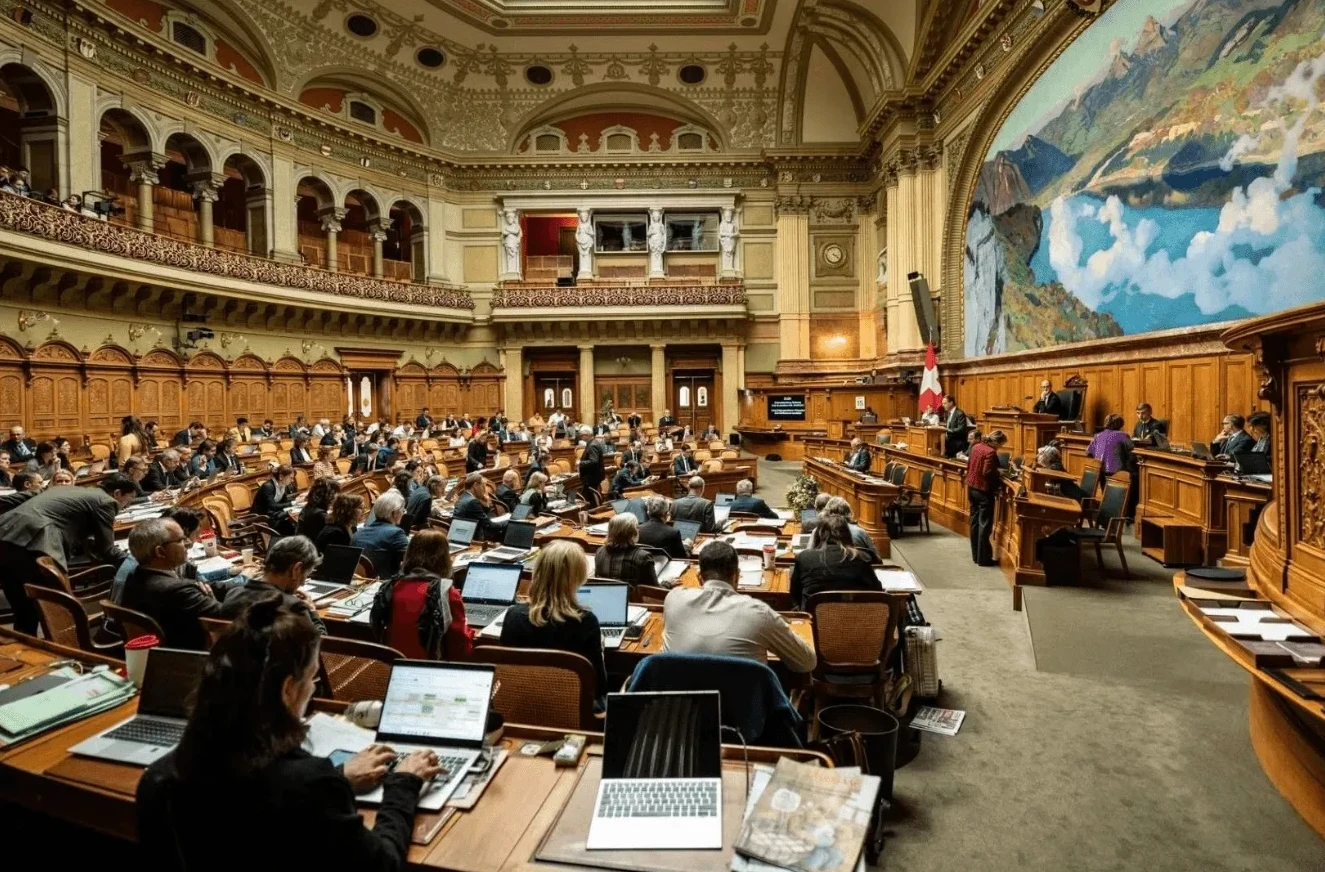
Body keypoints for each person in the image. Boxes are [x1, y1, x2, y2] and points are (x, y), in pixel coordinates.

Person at [137, 595, 442, 871]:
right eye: (312, 679)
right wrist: (403, 783)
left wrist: (339, 777)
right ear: (287, 689)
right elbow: (383, 864)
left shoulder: (162, 774)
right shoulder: (309, 785)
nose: (313, 688)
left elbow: (260, 794)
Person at [0, 473, 136, 634]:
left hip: (4, 534)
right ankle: (68, 646)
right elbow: (106, 550)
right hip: (36, 542)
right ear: (117, 493)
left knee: (22, 607)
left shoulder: (71, 490)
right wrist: (135, 562)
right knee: (58, 608)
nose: (126, 506)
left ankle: (24, 650)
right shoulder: (106, 502)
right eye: (129, 500)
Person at [662, 540, 816, 671]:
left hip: (682, 704)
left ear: (698, 576)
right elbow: (807, 662)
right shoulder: (759, 613)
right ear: (737, 575)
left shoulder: (673, 599)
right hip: (741, 706)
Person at [500, 540, 609, 707]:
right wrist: (600, 651)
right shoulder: (586, 621)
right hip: (572, 711)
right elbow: (599, 687)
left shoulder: (512, 615)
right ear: (576, 578)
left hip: (521, 706)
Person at [120, 517, 235, 649]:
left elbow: (206, 587)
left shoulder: (135, 577)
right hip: (195, 657)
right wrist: (212, 599)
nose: (187, 543)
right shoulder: (178, 591)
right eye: (180, 540)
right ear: (160, 552)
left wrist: (246, 587)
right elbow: (226, 617)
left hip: (163, 655)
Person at [370, 530, 473, 661]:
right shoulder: (447, 593)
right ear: (444, 559)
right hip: (430, 669)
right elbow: (461, 646)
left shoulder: (391, 587)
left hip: (391, 664)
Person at [221, 536, 326, 634]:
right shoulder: (293, 607)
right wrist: (312, 611)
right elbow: (319, 649)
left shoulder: (232, 595)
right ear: (296, 569)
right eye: (306, 575)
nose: (303, 583)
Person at [789, 515, 880, 609]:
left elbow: (794, 595)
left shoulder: (804, 557)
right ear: (847, 534)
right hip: (856, 619)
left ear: (819, 534)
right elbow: (876, 590)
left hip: (813, 620)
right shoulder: (862, 558)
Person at [966, 431, 1006, 566]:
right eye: (1001, 445)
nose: (999, 448)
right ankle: (984, 559)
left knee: (975, 522)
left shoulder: (975, 447)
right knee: (984, 524)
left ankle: (976, 556)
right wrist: (998, 473)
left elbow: (970, 465)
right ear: (997, 442)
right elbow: (987, 473)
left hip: (971, 488)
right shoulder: (990, 452)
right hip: (983, 490)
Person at [352, 491, 411, 579]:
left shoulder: (357, 534)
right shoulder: (396, 533)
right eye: (403, 511)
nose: (403, 514)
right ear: (395, 513)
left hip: (362, 584)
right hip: (386, 584)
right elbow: (411, 561)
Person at [593, 514, 660, 588]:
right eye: (637, 527)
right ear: (633, 532)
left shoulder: (599, 552)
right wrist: (667, 584)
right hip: (632, 599)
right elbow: (654, 590)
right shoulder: (643, 557)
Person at [817, 496, 881, 563]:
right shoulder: (861, 532)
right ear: (848, 512)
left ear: (827, 513)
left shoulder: (819, 531)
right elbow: (877, 560)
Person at [452, 471, 505, 541]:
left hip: (460, 536)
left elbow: (481, 518)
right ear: (475, 485)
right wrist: (506, 524)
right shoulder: (472, 501)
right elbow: (488, 525)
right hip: (472, 539)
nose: (484, 490)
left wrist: (486, 504)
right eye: (483, 486)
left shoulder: (463, 496)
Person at [637, 496, 689, 560]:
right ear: (666, 514)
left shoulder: (637, 530)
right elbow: (681, 558)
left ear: (648, 512)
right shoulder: (673, 532)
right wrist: (687, 546)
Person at [1087, 414, 1133, 483]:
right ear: (1120, 425)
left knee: (1105, 493)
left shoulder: (1098, 435)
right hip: (1117, 472)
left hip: (1100, 471)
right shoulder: (1123, 435)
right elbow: (1132, 451)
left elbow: (1088, 452)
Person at [253, 464, 298, 535]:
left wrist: (298, 500)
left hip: (273, 513)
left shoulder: (283, 485)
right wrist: (294, 502)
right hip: (263, 517)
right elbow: (272, 506)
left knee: (295, 519)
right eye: (290, 478)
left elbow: (284, 501)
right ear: (281, 477)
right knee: (292, 524)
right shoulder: (268, 486)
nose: (292, 481)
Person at [296, 477, 340, 543]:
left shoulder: (309, 506)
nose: (337, 496)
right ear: (329, 494)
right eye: (336, 492)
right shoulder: (319, 514)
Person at [578, 430, 606, 497]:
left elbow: (593, 461)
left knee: (588, 497)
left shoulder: (592, 445)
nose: (581, 437)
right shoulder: (593, 443)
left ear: (587, 435)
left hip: (592, 476)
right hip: (593, 475)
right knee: (590, 496)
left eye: (582, 435)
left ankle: (593, 507)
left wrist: (581, 463)